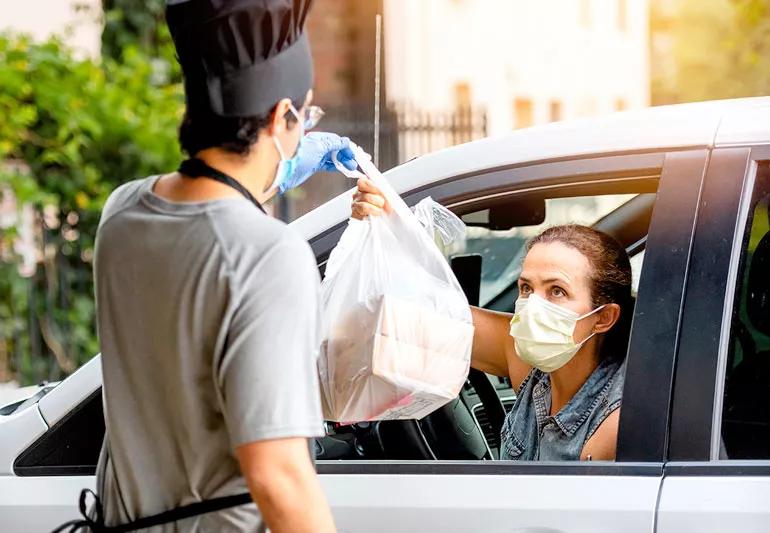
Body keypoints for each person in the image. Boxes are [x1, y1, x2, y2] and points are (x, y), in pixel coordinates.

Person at [85, 1, 353, 531]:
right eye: (306, 116)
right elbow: (278, 474)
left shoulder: (122, 212)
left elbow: (203, 217)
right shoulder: (269, 255)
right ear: (282, 118)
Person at [352, 178, 633, 461]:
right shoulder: (531, 366)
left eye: (556, 291)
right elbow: (421, 317)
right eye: (526, 288)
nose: (533, 306)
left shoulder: (611, 425)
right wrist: (384, 229)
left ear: (604, 317)